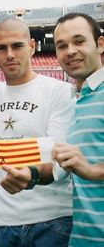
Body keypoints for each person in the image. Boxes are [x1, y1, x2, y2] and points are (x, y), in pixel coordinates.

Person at [0, 17, 74, 247]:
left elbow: (62, 158)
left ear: (32, 47)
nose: (9, 54)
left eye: (17, 46)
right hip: (3, 222)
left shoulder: (59, 92)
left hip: (53, 220)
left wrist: (32, 175)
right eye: (1, 48)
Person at [52, 12, 104, 247]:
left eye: (79, 41)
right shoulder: (74, 101)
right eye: (62, 46)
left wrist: (91, 171)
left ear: (100, 44)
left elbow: (88, 169)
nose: (70, 51)